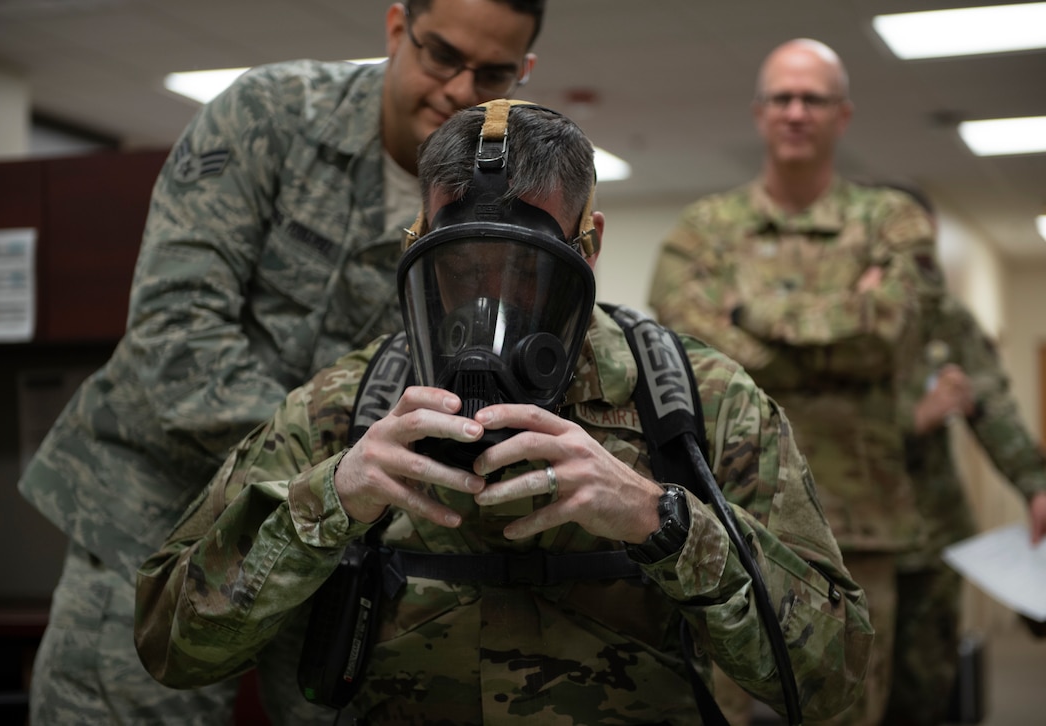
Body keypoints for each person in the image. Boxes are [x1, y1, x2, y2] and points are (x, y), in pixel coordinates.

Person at [134, 100, 873, 725]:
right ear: (418, 246)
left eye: (527, 271)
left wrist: (662, 521)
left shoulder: (698, 404)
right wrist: (328, 501)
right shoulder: (346, 408)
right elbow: (170, 643)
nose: (493, 298)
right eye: (462, 267)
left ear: (590, 244)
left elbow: (837, 677)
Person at [17, 1, 546, 723]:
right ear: (397, 30)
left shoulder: (505, 201)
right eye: (441, 57)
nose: (459, 89)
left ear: (525, 73)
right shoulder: (270, 116)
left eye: (491, 72)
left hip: (341, 550)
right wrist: (336, 470)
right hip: (160, 516)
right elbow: (175, 337)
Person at [647, 39, 939, 726]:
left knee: (849, 705)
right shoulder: (703, 229)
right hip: (727, 506)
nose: (796, 111)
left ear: (844, 113)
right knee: (711, 703)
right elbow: (689, 346)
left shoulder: (891, 222)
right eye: (783, 97)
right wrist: (841, 321)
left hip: (857, 517)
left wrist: (748, 317)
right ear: (759, 112)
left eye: (814, 98)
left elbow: (888, 333)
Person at [881, 186, 1046, 726]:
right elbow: (798, 425)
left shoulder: (944, 317)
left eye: (923, 243)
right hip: (846, 540)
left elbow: (991, 403)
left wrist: (1035, 485)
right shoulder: (824, 319)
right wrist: (915, 417)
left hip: (933, 536)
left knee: (926, 690)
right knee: (844, 692)